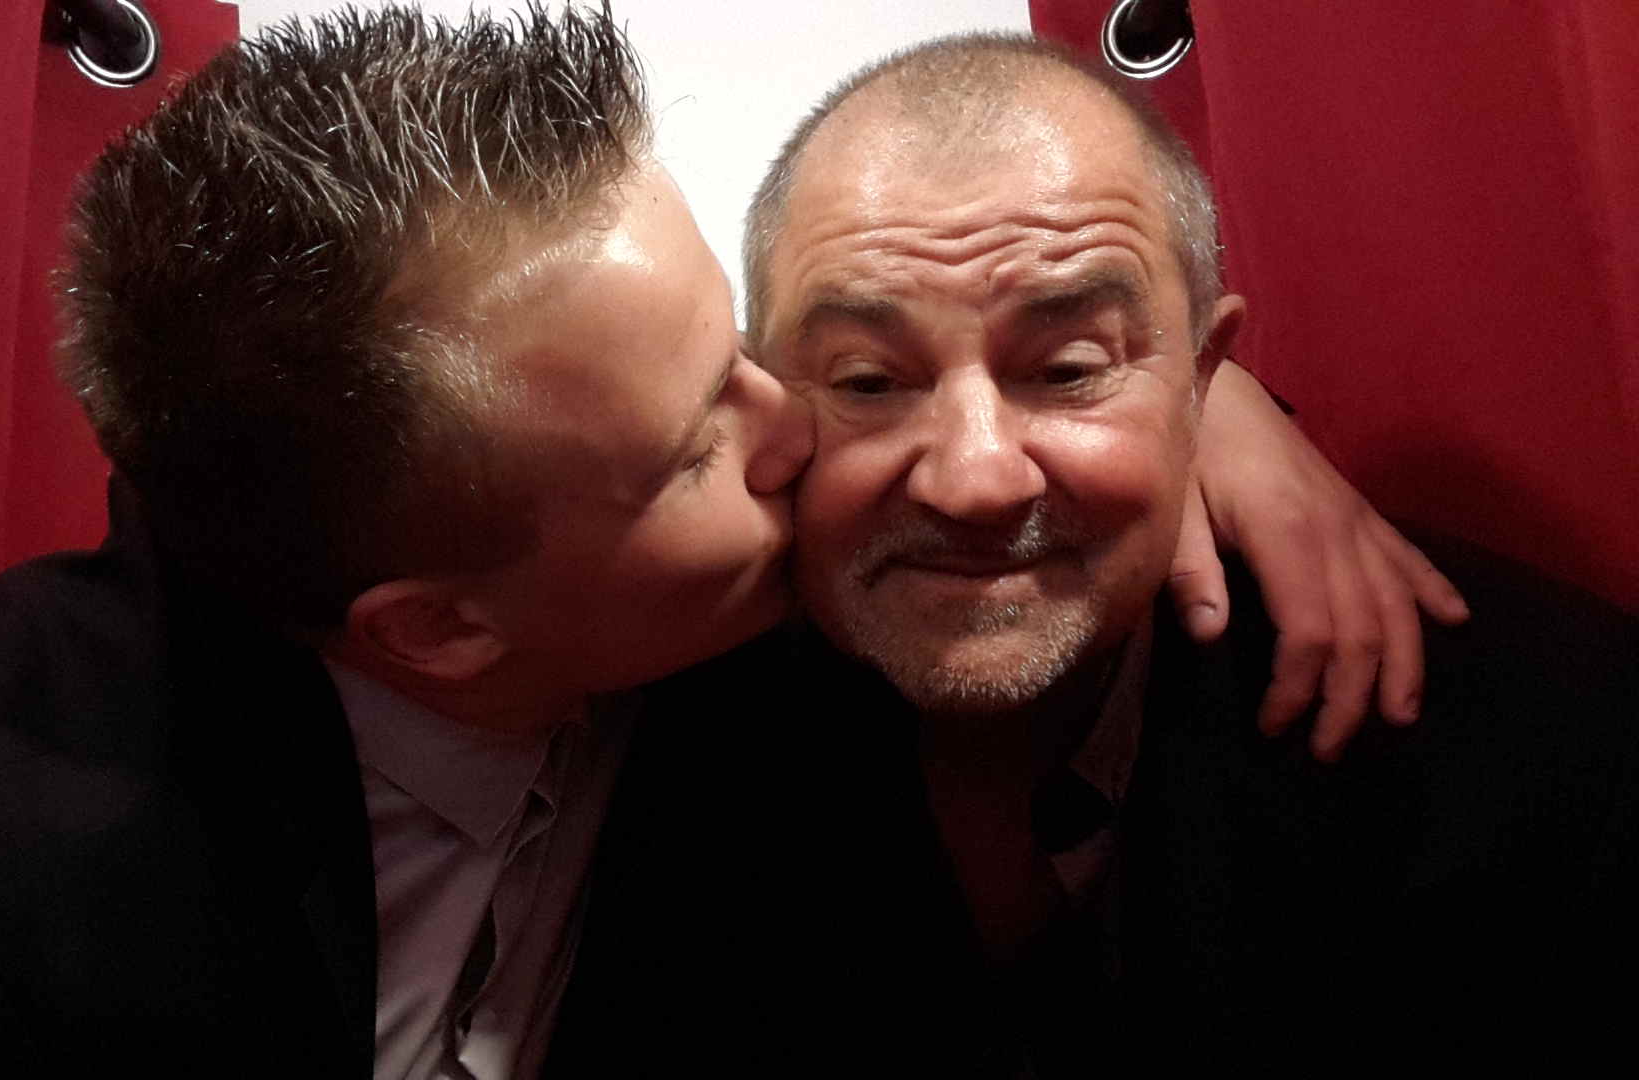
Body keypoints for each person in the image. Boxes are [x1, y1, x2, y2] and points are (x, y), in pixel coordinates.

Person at [0, 7, 1472, 1078]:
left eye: (741, 345)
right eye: (703, 438)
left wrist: (1199, 414)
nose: (802, 434)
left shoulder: (736, 612)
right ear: (444, 630)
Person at [554, 29, 1637, 1077]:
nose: (976, 478)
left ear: (1203, 377)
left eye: (1069, 370)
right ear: (762, 393)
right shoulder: (634, 719)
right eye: (868, 382)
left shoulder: (1537, 771)